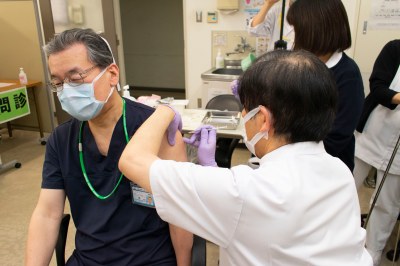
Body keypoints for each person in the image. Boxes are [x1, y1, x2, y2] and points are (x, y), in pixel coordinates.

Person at [119, 49, 372, 265]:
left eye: (245, 108)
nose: (242, 115)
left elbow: (132, 161)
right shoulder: (339, 172)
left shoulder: (246, 192)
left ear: (262, 119)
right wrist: (211, 169)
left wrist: (163, 110)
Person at [25, 28, 193, 266]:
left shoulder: (156, 129)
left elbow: (179, 212)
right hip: (88, 259)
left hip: (150, 259)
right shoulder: (61, 139)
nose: (66, 91)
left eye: (75, 78)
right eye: (58, 83)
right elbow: (47, 214)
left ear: (112, 74)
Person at [286, 0, 364, 172]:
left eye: (296, 29)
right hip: (293, 161)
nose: (292, 35)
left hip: (327, 167)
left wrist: (293, 156)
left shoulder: (347, 74)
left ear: (314, 30)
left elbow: (338, 135)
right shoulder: (298, 65)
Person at [353, 39, 400, 266]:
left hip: (398, 153)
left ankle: (372, 256)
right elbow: (378, 87)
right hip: (371, 134)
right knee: (346, 186)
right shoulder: (395, 49)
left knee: (385, 205)